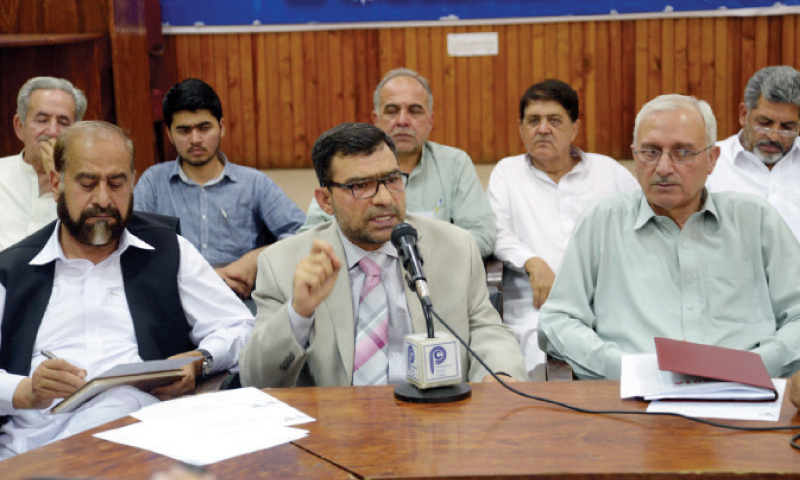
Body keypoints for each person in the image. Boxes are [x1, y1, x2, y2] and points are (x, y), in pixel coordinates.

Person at [0, 121, 254, 459]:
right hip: (31, 447)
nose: (103, 199)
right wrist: (24, 390)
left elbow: (241, 327)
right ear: (58, 183)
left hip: (137, 441)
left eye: (117, 183)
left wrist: (200, 361)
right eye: (87, 183)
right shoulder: (13, 268)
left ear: (132, 182)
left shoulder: (166, 250)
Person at [239, 122, 526, 388]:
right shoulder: (282, 264)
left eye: (391, 179)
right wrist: (299, 313)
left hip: (438, 426)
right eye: (360, 186)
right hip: (335, 434)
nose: (385, 198)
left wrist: (498, 375)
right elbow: (257, 379)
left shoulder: (454, 247)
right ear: (326, 200)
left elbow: (486, 329)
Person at [538, 94, 800, 380]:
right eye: (651, 152)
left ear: (712, 160)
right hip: (630, 404)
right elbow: (558, 321)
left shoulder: (755, 219)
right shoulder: (602, 221)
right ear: (635, 157)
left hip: (749, 397)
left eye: (683, 152)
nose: (663, 167)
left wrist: (753, 366)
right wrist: (626, 369)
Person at [487, 79, 638, 380]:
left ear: (575, 127)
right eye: (533, 121)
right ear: (521, 128)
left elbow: (642, 229)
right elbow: (497, 233)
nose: (543, 129)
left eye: (554, 120)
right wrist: (532, 261)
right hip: (538, 304)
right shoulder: (507, 173)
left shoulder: (609, 172)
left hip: (608, 301)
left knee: (630, 363)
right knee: (538, 370)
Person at [134, 79, 306, 300]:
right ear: (169, 134)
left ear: (222, 127)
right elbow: (133, 243)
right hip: (175, 296)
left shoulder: (253, 183)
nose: (195, 139)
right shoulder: (153, 182)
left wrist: (257, 258)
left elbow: (305, 232)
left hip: (239, 298)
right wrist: (206, 278)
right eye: (184, 130)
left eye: (204, 128)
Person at [298, 68, 495, 257]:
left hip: (433, 279)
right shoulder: (348, 166)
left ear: (430, 120)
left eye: (415, 111)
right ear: (376, 119)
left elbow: (481, 237)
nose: (402, 121)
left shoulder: (455, 163)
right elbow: (309, 238)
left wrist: (405, 256)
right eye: (392, 111)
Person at [707, 66, 800, 241]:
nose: (774, 136)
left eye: (787, 127)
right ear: (743, 114)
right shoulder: (711, 163)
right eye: (764, 123)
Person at [0, 77, 87, 251]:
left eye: (63, 122)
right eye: (42, 120)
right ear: (19, 126)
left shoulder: (89, 186)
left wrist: (60, 177)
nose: (52, 131)